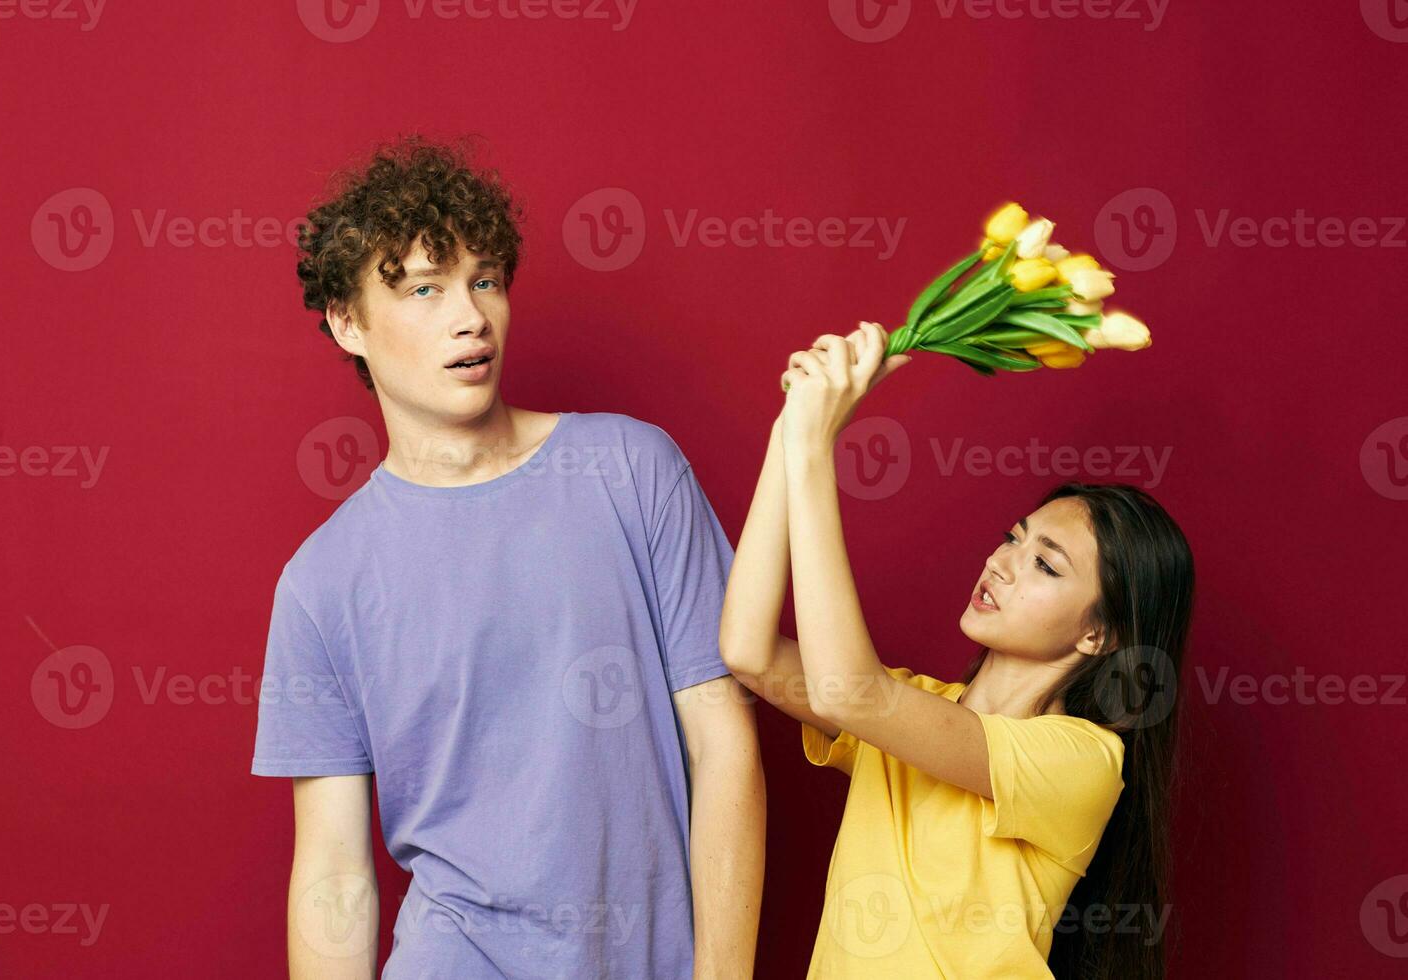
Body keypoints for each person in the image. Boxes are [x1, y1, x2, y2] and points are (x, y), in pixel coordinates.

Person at [251, 135, 764, 979]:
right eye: (424, 289)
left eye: (484, 280)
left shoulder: (633, 470)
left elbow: (725, 745)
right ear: (348, 322)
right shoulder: (322, 583)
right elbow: (335, 873)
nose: (471, 318)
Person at [720, 322, 1193, 978]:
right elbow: (747, 651)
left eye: (1046, 566)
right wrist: (790, 428)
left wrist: (815, 444)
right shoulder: (911, 712)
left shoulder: (1082, 761)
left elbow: (846, 691)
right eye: (1013, 538)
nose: (1002, 563)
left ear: (1098, 635)